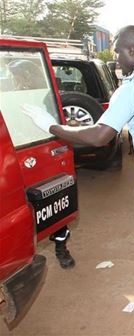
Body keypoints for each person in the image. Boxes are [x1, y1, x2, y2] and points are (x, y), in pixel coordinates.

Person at [22, 25, 134, 324]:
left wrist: (51, 126)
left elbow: (100, 136)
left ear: (131, 50)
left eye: (117, 51)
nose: (115, 58)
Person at [8, 59, 76, 269]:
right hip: (19, 155)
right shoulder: (10, 99)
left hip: (47, 153)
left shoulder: (47, 97)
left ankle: (61, 248)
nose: (14, 81)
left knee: (56, 205)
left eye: (16, 77)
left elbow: (58, 124)